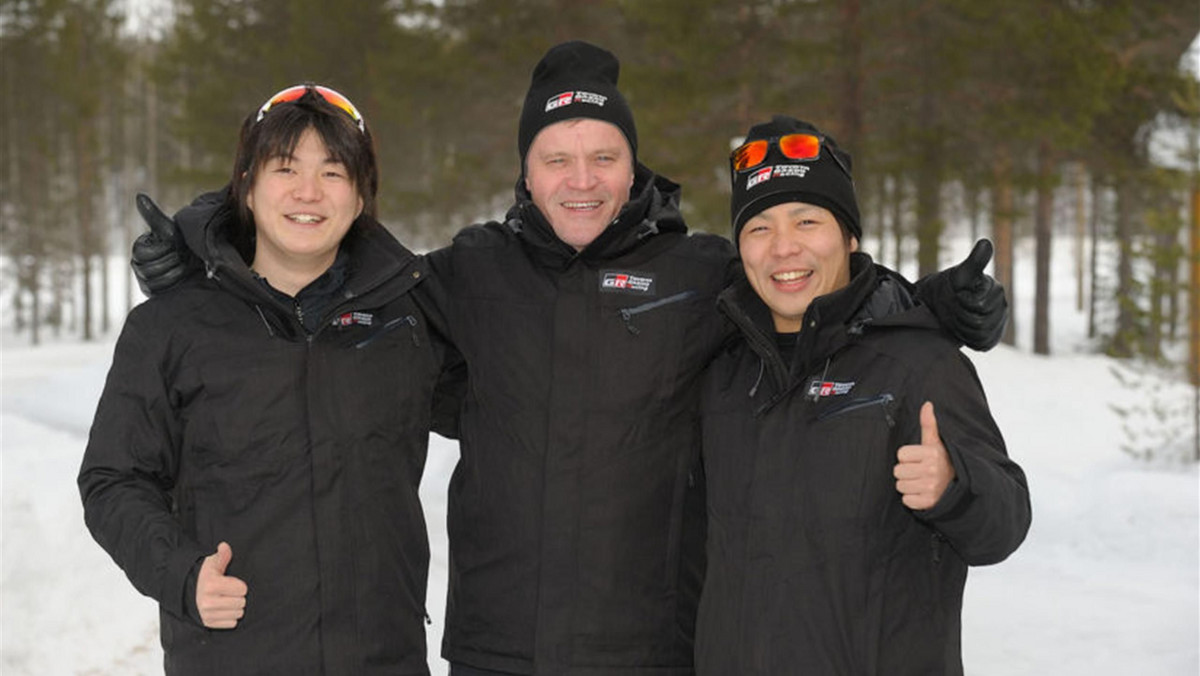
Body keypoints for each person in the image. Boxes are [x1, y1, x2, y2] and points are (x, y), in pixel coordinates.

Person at [129, 44, 1008, 675]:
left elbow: (803, 291)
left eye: (602, 156)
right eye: (556, 158)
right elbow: (336, 267)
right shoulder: (469, 271)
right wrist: (212, 246)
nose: (579, 178)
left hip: (651, 650)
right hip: (497, 647)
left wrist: (924, 301)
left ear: (633, 168)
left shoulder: (699, 273)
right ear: (526, 169)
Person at [78, 85, 447, 675]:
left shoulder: (410, 318)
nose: (309, 192)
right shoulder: (171, 326)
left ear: (360, 196)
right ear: (247, 185)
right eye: (285, 169)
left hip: (384, 657)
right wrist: (180, 574)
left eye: (333, 171)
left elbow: (519, 385)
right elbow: (112, 479)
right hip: (232, 658)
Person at [695, 115, 1031, 675]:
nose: (784, 248)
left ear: (849, 238)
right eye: (759, 229)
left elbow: (1005, 524)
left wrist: (954, 487)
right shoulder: (723, 372)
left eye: (807, 221)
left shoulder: (917, 364)